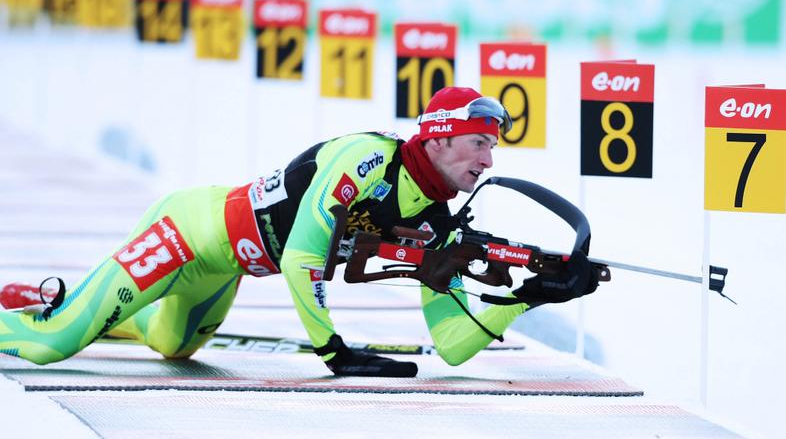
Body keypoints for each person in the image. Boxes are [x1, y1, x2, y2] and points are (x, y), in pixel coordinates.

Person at [0, 87, 598, 377]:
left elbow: (452, 343)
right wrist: (333, 350)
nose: (489, 160)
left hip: (223, 267)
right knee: (52, 345)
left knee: (172, 347)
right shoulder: (367, 158)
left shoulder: (438, 219)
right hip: (186, 230)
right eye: (479, 143)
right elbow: (302, 258)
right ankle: (68, 312)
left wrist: (529, 296)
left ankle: (60, 300)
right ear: (438, 138)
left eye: (493, 147)